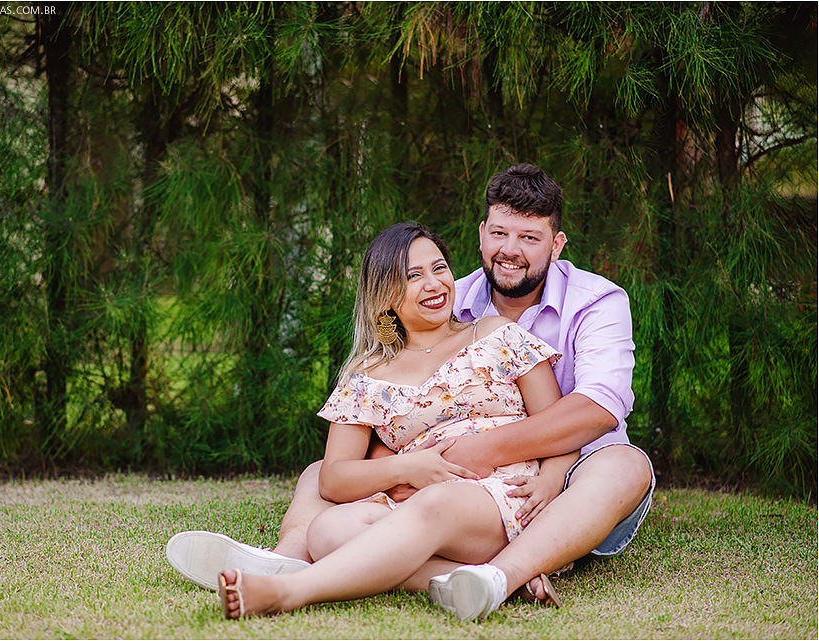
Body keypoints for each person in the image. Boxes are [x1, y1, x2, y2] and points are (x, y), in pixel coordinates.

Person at [168, 163, 656, 619]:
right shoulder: (441, 309)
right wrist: (404, 468)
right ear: (481, 236)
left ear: (556, 243)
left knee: (620, 464)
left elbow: (593, 412)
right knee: (327, 505)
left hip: (552, 479)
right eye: (501, 233)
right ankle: (290, 559)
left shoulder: (580, 307)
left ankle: (301, 589)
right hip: (431, 483)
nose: (511, 248)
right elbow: (379, 438)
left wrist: (502, 462)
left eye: (530, 237)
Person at [210, 221, 573, 617]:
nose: (433, 284)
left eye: (439, 268)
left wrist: (550, 483)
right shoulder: (368, 375)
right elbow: (334, 477)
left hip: (499, 498)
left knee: (437, 502)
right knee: (328, 532)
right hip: (413, 502)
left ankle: (289, 591)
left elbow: (557, 429)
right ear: (384, 296)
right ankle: (485, 579)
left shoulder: (499, 336)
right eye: (413, 276)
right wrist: (410, 467)